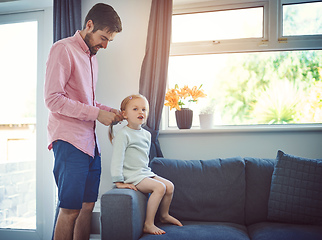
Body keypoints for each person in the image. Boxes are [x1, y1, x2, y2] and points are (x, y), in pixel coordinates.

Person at [44, 3, 123, 240]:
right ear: (89, 25)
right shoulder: (63, 49)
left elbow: (87, 101)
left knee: (88, 206)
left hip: (90, 144)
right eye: (102, 37)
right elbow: (53, 99)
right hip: (69, 142)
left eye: (109, 40)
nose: (105, 45)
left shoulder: (92, 57)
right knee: (70, 209)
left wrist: (109, 111)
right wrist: (97, 114)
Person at [109, 94, 183, 235]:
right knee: (159, 188)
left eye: (144, 109)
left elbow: (142, 159)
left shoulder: (146, 135)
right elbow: (117, 159)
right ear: (124, 114)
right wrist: (119, 181)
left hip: (143, 172)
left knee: (169, 186)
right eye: (135, 109)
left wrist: (148, 174)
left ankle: (164, 215)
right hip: (132, 175)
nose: (141, 112)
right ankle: (148, 224)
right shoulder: (123, 134)